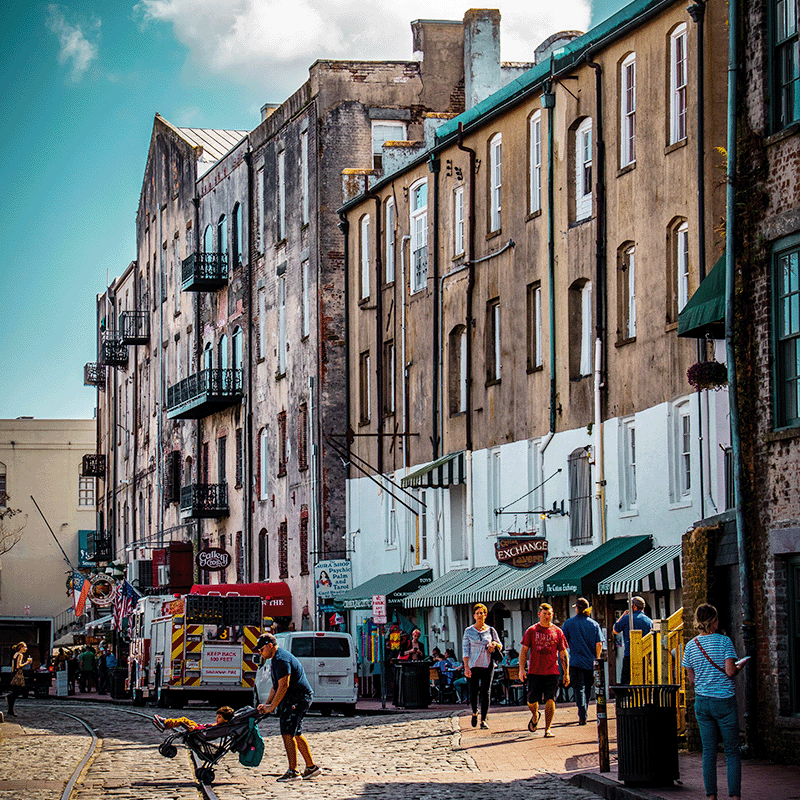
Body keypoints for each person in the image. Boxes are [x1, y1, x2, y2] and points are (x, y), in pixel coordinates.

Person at [682, 604, 745, 800]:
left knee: (708, 752)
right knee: (732, 751)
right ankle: (734, 796)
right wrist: (740, 666)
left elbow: (691, 679)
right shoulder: (725, 642)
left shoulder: (691, 645)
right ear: (714, 622)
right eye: (717, 619)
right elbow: (729, 671)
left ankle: (711, 796)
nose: (719, 622)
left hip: (702, 702)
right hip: (724, 701)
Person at [255, 633, 321, 782]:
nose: (259, 652)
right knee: (296, 732)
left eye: (261, 649)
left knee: (287, 733)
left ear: (269, 646)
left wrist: (272, 707)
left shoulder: (281, 660)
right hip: (295, 697)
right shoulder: (275, 659)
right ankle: (311, 767)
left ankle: (293, 771)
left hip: (297, 698)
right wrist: (267, 703)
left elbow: (284, 685)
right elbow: (276, 685)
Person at [519, 603, 570, 738]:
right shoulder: (532, 630)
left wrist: (566, 672)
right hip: (535, 671)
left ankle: (547, 729)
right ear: (539, 614)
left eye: (549, 614)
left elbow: (563, 653)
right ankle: (535, 716)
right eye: (545, 614)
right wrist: (521, 669)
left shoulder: (557, 631)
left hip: (552, 671)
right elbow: (524, 650)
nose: (547, 617)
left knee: (550, 699)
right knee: (531, 701)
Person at [561, 597, 603, 725]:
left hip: (575, 662)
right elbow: (599, 644)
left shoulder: (569, 623)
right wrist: (597, 658)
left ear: (577, 609)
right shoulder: (594, 624)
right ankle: (584, 711)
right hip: (590, 662)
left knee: (578, 688)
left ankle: (582, 712)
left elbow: (563, 642)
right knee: (588, 688)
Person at [462, 603, 502, 729]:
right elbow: (465, 650)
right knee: (473, 692)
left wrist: (494, 644)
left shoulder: (490, 630)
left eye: (482, 613)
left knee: (486, 692)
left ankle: (483, 719)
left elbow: (500, 645)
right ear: (474, 615)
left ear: (485, 615)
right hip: (473, 665)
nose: (480, 615)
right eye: (477, 613)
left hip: (487, 664)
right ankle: (474, 712)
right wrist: (466, 667)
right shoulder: (468, 631)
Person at [613, 596, 653, 684]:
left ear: (634, 606)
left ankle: (627, 697)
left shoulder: (627, 618)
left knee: (626, 680)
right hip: (644, 654)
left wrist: (622, 616)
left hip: (629, 653)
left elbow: (615, 630)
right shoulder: (649, 621)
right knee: (644, 680)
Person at [154, 705, 235, 732]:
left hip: (197, 729)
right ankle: (165, 722)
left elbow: (206, 729)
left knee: (182, 720)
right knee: (184, 719)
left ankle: (165, 722)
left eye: (219, 717)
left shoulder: (219, 726)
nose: (217, 719)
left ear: (226, 719)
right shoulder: (221, 724)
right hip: (198, 727)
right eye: (217, 717)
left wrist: (195, 728)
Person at [6, 642, 32, 717]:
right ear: (21, 647)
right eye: (25, 647)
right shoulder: (20, 655)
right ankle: (10, 700)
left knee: (15, 692)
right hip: (18, 674)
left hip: (14, 674)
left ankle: (10, 710)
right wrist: (27, 663)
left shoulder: (15, 654)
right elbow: (18, 666)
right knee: (22, 690)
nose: (25, 649)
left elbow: (13, 666)